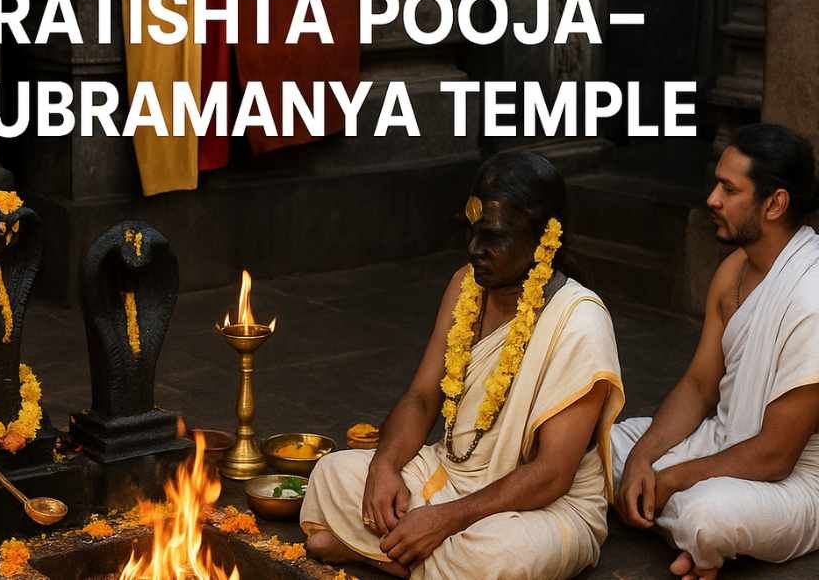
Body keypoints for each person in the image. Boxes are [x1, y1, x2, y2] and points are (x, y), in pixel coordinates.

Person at [301, 152, 625, 579]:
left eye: (493, 236)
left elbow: (552, 473)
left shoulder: (580, 322)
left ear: (546, 237)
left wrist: (447, 519)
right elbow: (420, 399)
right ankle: (416, 558)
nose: (475, 249)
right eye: (471, 232)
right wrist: (383, 466)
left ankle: (373, 553)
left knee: (496, 558)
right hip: (449, 475)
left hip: (542, 509)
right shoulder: (465, 286)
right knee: (331, 474)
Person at [611, 123, 819, 580]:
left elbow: (776, 455)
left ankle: (685, 528)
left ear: (775, 203)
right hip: (721, 442)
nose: (712, 199)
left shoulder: (811, 298)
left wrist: (669, 481)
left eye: (729, 188)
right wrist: (644, 460)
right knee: (608, 446)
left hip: (794, 482)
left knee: (709, 516)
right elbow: (700, 385)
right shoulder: (733, 271)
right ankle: (690, 539)